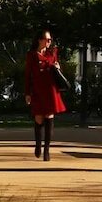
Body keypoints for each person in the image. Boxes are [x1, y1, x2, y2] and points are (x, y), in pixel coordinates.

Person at [24, 30, 67, 160]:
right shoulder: (31, 55)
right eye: (46, 39)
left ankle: (47, 150)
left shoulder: (52, 53)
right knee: (39, 119)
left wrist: (58, 67)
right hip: (37, 90)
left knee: (49, 117)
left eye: (50, 40)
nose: (49, 42)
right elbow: (27, 76)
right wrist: (27, 93)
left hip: (50, 90)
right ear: (39, 40)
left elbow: (57, 70)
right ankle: (38, 145)